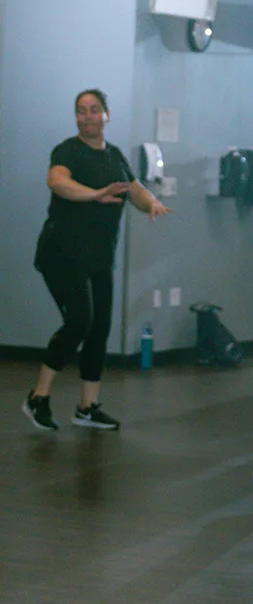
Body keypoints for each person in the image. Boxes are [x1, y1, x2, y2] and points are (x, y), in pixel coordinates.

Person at [23, 89, 173, 432]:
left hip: (97, 256)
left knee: (99, 327)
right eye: (81, 111)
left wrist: (151, 203)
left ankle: (87, 407)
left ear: (106, 115)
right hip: (61, 253)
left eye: (94, 110)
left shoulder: (114, 156)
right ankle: (38, 398)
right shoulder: (68, 151)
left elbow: (133, 189)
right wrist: (95, 194)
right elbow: (57, 182)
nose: (87, 116)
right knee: (79, 321)